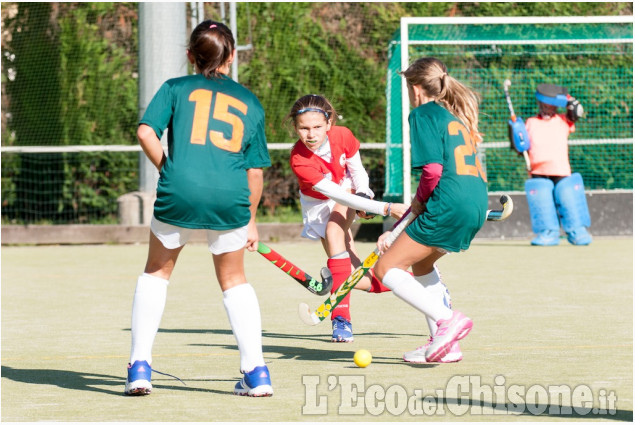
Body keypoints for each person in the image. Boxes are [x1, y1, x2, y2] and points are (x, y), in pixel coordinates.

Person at [125, 20, 273, 397]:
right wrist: (251, 219)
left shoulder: (175, 87)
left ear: (190, 56)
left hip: (179, 192)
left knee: (156, 273)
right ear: (233, 56)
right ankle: (256, 373)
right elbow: (255, 172)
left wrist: (167, 169)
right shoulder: (249, 101)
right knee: (234, 280)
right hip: (231, 196)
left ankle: (140, 367)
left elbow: (145, 131)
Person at [373, 57, 488, 364]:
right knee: (422, 266)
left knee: (385, 269)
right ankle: (447, 347)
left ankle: (446, 321)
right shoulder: (455, 117)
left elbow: (433, 172)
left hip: (448, 202)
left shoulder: (422, 114)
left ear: (415, 88)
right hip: (475, 202)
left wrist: (418, 202)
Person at [286, 94, 408, 343]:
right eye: (304, 128)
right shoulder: (299, 159)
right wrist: (387, 208)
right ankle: (407, 279)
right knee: (351, 273)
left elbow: (357, 171)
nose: (311, 134)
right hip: (318, 203)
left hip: (347, 189)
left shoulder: (343, 135)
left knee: (334, 232)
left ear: (329, 123)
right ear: (296, 128)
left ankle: (341, 320)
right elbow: (332, 194)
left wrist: (364, 194)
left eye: (317, 127)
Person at [511, 83, 591, 246]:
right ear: (539, 105)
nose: (548, 110)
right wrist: (513, 130)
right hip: (538, 171)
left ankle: (577, 231)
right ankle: (548, 233)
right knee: (542, 203)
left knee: (569, 199)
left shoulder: (563, 120)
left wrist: (566, 99)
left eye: (552, 107)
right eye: (545, 106)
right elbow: (521, 146)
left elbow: (576, 111)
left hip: (561, 170)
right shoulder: (531, 122)